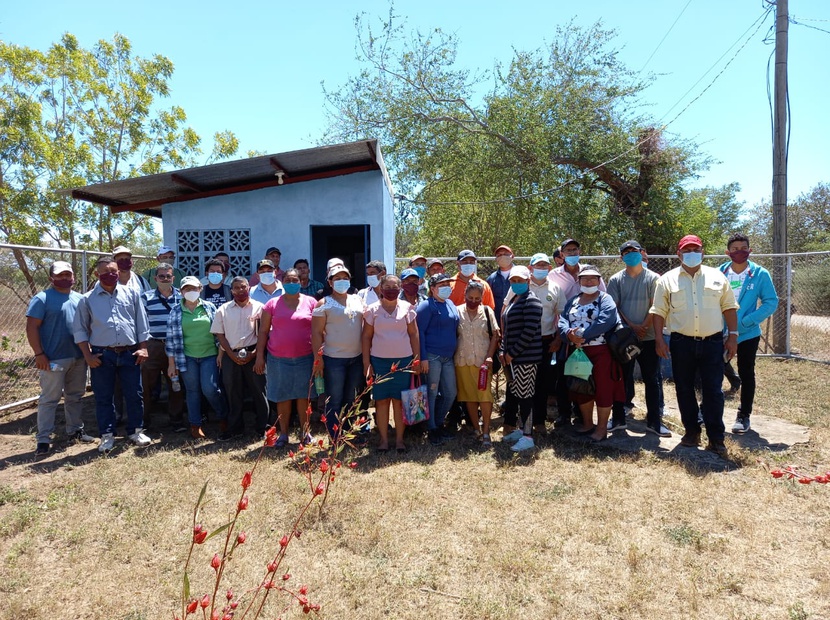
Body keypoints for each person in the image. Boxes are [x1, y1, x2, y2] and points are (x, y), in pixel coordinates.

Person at [650, 234, 739, 457]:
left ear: (702, 252)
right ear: (679, 254)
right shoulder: (667, 280)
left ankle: (716, 438)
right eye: (686, 250)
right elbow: (658, 311)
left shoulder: (717, 277)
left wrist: (733, 336)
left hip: (712, 343)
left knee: (713, 391)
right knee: (684, 388)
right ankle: (691, 432)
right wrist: (659, 339)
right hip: (681, 342)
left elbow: (729, 307)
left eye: (695, 249)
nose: (691, 254)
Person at [73, 256, 150, 452]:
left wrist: (143, 347)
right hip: (102, 355)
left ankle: (136, 431)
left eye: (114, 272)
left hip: (130, 353)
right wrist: (88, 356)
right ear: (97, 274)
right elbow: (80, 330)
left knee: (135, 394)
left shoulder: (132, 294)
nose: (111, 275)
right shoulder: (86, 299)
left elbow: (141, 323)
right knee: (103, 397)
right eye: (106, 272)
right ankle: (107, 435)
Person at [26, 260, 94, 456]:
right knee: (49, 399)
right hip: (52, 359)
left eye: (68, 275)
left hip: (78, 357)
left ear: (73, 277)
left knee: (75, 396)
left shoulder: (80, 298)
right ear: (51, 278)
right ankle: (44, 439)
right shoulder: (42, 299)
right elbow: (32, 327)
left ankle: (75, 431)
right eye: (60, 275)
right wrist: (39, 354)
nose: (65, 278)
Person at [606, 241, 670, 437]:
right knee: (621, 378)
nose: (631, 254)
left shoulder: (653, 278)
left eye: (634, 251)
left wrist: (643, 325)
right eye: (626, 252)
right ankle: (617, 419)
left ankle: (654, 422)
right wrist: (633, 327)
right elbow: (614, 306)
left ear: (642, 253)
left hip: (649, 337)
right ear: (621, 257)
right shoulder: (615, 280)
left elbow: (656, 305)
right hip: (624, 339)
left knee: (652, 379)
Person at [718, 233, 778, 434]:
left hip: (747, 333)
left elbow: (771, 302)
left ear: (749, 250)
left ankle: (744, 416)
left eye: (743, 248)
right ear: (728, 252)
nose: (739, 252)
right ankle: (707, 411)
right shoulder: (719, 273)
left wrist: (746, 322)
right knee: (712, 372)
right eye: (735, 249)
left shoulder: (760, 274)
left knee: (746, 373)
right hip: (719, 332)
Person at [558, 265, 625, 443]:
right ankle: (588, 423)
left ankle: (602, 428)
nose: (589, 282)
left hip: (601, 351)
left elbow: (606, 321)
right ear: (579, 281)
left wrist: (581, 335)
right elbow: (563, 320)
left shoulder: (606, 299)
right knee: (581, 388)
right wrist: (568, 335)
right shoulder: (572, 300)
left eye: (593, 278)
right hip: (578, 352)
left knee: (603, 388)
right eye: (585, 279)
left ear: (599, 281)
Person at [255, 268, 318, 448]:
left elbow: (318, 331)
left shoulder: (311, 302)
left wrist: (317, 356)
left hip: (305, 357)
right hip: (278, 358)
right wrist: (260, 356)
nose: (292, 283)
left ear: (300, 282)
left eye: (295, 280)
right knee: (283, 397)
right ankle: (283, 434)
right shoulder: (272, 304)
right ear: (282, 282)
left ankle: (305, 432)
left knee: (303, 397)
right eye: (288, 280)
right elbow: (263, 332)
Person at [503, 253, 564, 434]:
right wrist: (505, 344)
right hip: (517, 345)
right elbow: (505, 312)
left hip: (543, 343)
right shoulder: (516, 290)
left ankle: (536, 423)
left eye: (545, 265)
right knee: (514, 385)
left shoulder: (554, 288)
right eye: (538, 265)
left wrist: (558, 339)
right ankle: (511, 424)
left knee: (540, 385)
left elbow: (561, 316)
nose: (541, 268)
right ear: (531, 268)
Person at [362, 274, 420, 453]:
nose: (391, 290)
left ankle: (400, 440)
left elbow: (414, 335)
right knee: (381, 401)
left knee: (399, 402)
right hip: (379, 362)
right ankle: (384, 441)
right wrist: (367, 364)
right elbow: (366, 337)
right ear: (380, 288)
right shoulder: (371, 310)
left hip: (403, 362)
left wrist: (416, 359)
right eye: (387, 287)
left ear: (400, 288)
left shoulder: (407, 308)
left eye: (395, 287)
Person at [166, 276, 228, 439]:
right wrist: (171, 364)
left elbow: (220, 332)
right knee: (192, 391)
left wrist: (221, 355)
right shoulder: (176, 311)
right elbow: (171, 340)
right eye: (187, 289)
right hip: (187, 357)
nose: (191, 292)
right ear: (181, 291)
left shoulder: (209, 307)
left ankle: (223, 416)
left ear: (200, 289)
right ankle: (195, 424)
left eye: (194, 288)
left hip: (210, 355)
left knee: (210, 389)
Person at [311, 264, 365, 439]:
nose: (342, 281)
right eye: (337, 278)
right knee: (334, 400)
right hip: (334, 359)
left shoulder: (357, 300)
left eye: (345, 278)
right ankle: (334, 437)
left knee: (351, 399)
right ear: (330, 281)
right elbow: (317, 334)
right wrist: (318, 360)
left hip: (356, 358)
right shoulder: (323, 304)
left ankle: (348, 435)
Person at [212, 277, 269, 441]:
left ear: (249, 287)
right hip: (231, 355)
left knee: (259, 391)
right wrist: (230, 355)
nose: (240, 290)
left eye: (243, 287)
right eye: (236, 288)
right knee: (232, 392)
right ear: (231, 291)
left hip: (254, 354)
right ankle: (235, 428)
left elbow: (263, 334)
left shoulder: (259, 308)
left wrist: (254, 354)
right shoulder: (223, 309)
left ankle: (262, 427)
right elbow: (220, 334)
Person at [499, 266, 543, 452]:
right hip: (513, 358)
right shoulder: (515, 300)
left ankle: (528, 436)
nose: (516, 283)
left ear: (528, 281)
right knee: (518, 394)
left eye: (520, 280)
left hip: (526, 358)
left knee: (526, 397)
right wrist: (503, 351)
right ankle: (521, 428)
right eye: (513, 281)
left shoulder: (532, 302)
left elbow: (528, 333)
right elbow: (508, 331)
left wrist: (512, 353)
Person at [454, 280, 501, 447]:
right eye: (470, 297)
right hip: (462, 361)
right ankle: (476, 429)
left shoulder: (487, 312)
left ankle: (487, 431)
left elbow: (495, 335)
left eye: (477, 298)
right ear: (465, 295)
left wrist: (489, 356)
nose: (473, 301)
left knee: (485, 396)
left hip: (482, 362)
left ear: (482, 298)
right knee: (469, 396)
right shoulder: (456, 311)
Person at [141, 263, 185, 432]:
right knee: (146, 385)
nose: (165, 279)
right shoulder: (146, 297)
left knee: (175, 383)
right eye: (161, 276)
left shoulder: (182, 298)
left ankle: (176, 421)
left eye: (168, 276)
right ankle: (144, 421)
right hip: (153, 345)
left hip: (174, 345)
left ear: (173, 278)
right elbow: (141, 322)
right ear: (155, 279)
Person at [417, 273, 461, 445]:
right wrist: (423, 358)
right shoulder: (425, 306)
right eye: (441, 284)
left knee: (450, 393)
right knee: (432, 392)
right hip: (432, 357)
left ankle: (438, 421)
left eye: (447, 284)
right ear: (433, 288)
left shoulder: (450, 303)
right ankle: (432, 427)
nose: (445, 287)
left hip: (448, 357)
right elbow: (419, 332)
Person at [486, 244, 515, 320]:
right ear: (496, 259)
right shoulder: (491, 279)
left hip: (518, 320)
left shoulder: (521, 276)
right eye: (499, 255)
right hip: (497, 320)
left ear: (512, 256)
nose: (503, 256)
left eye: (506, 254)